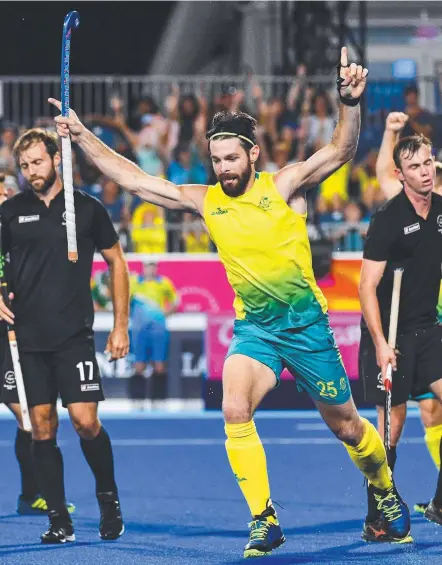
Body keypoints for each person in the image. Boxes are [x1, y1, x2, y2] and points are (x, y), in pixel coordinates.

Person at [50, 48, 413, 557]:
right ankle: (264, 518)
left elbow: (339, 149)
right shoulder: (205, 199)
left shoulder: (285, 185)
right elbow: (133, 178)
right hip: (256, 331)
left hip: (307, 328)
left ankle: (382, 489)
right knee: (233, 407)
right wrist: (83, 135)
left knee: (349, 427)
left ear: (252, 155)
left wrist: (350, 103)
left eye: (231, 159)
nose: (223, 169)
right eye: (216, 160)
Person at [0, 128, 130, 544]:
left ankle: (109, 502)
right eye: (24, 166)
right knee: (41, 427)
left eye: (37, 162)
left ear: (56, 158)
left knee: (85, 421)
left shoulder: (85, 208)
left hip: (74, 336)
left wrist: (121, 325)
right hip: (28, 340)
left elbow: (117, 263)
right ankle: (58, 520)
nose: (30, 172)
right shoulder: (11, 211)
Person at [359, 111, 442, 535]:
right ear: (401, 174)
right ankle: (377, 516)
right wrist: (379, 343)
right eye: (415, 166)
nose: (424, 171)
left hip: (430, 330)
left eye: (428, 163)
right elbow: (366, 286)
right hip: (390, 334)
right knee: (391, 429)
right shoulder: (388, 218)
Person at [0, 178, 76, 516]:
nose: (4, 198)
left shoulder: (21, 233)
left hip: (11, 338)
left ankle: (31, 495)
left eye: (7, 192)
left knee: (28, 417)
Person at [128, 261, 178, 404]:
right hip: (139, 329)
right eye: (147, 265)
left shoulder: (164, 283)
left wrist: (162, 315)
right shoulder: (134, 282)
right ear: (143, 267)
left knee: (159, 365)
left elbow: (176, 302)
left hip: (158, 329)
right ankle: (137, 401)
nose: (150, 268)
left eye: (153, 265)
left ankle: (159, 401)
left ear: (156, 268)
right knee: (138, 365)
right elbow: (123, 299)